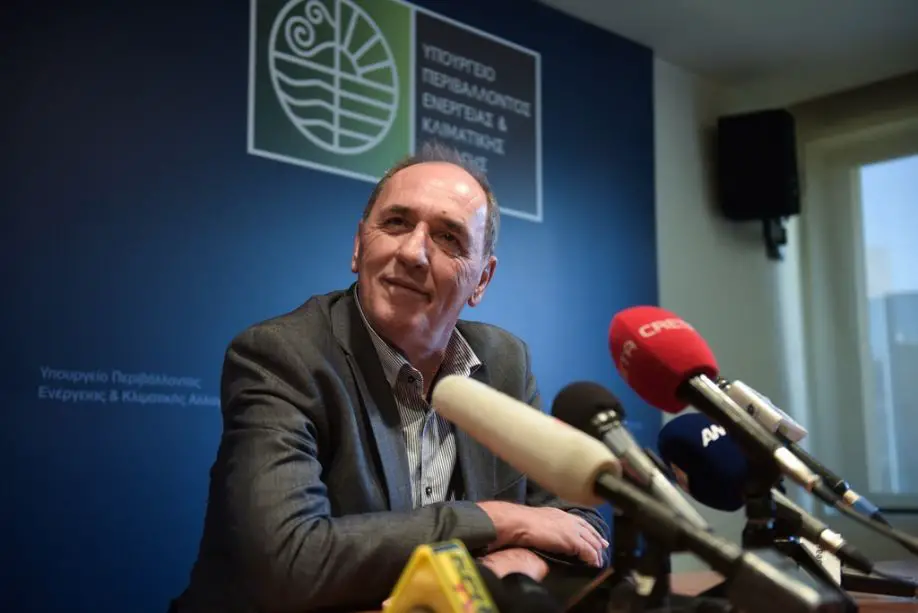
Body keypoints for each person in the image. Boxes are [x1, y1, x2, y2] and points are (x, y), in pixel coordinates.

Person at [170, 142, 610, 613]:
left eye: (448, 237)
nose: (413, 252)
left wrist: (511, 564)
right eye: (397, 222)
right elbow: (289, 562)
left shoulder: (504, 363)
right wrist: (496, 519)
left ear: (482, 280)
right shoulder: (284, 356)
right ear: (359, 246)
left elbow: (579, 526)